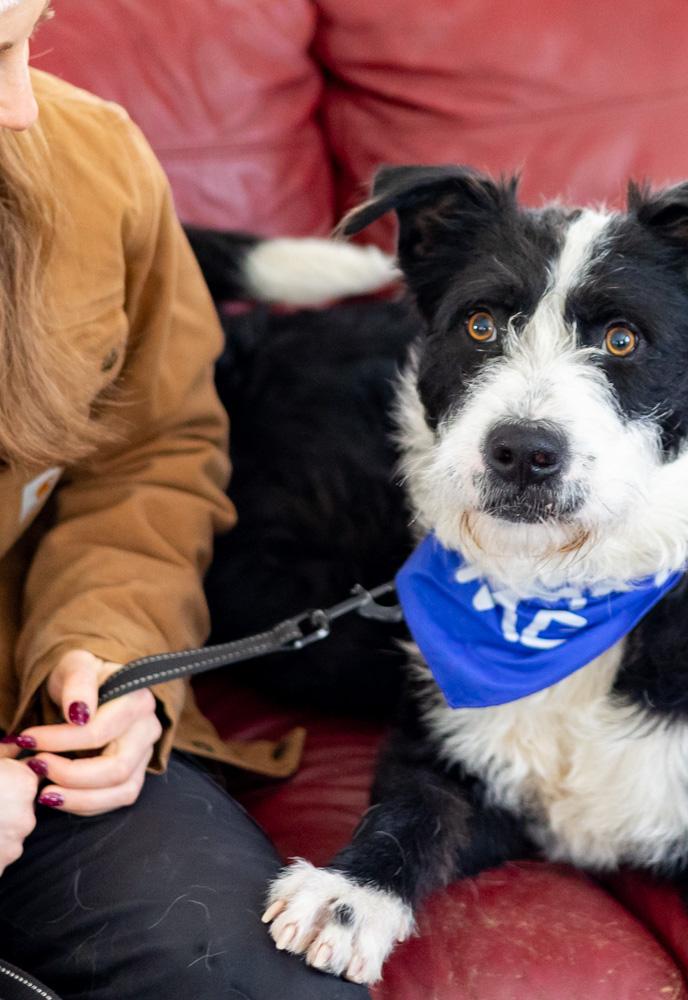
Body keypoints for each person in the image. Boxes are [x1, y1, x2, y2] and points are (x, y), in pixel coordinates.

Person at [0, 2, 363, 997]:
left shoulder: (92, 158)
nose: (23, 106)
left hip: (38, 745)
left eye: (28, 42)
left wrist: (111, 650)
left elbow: (154, 449)